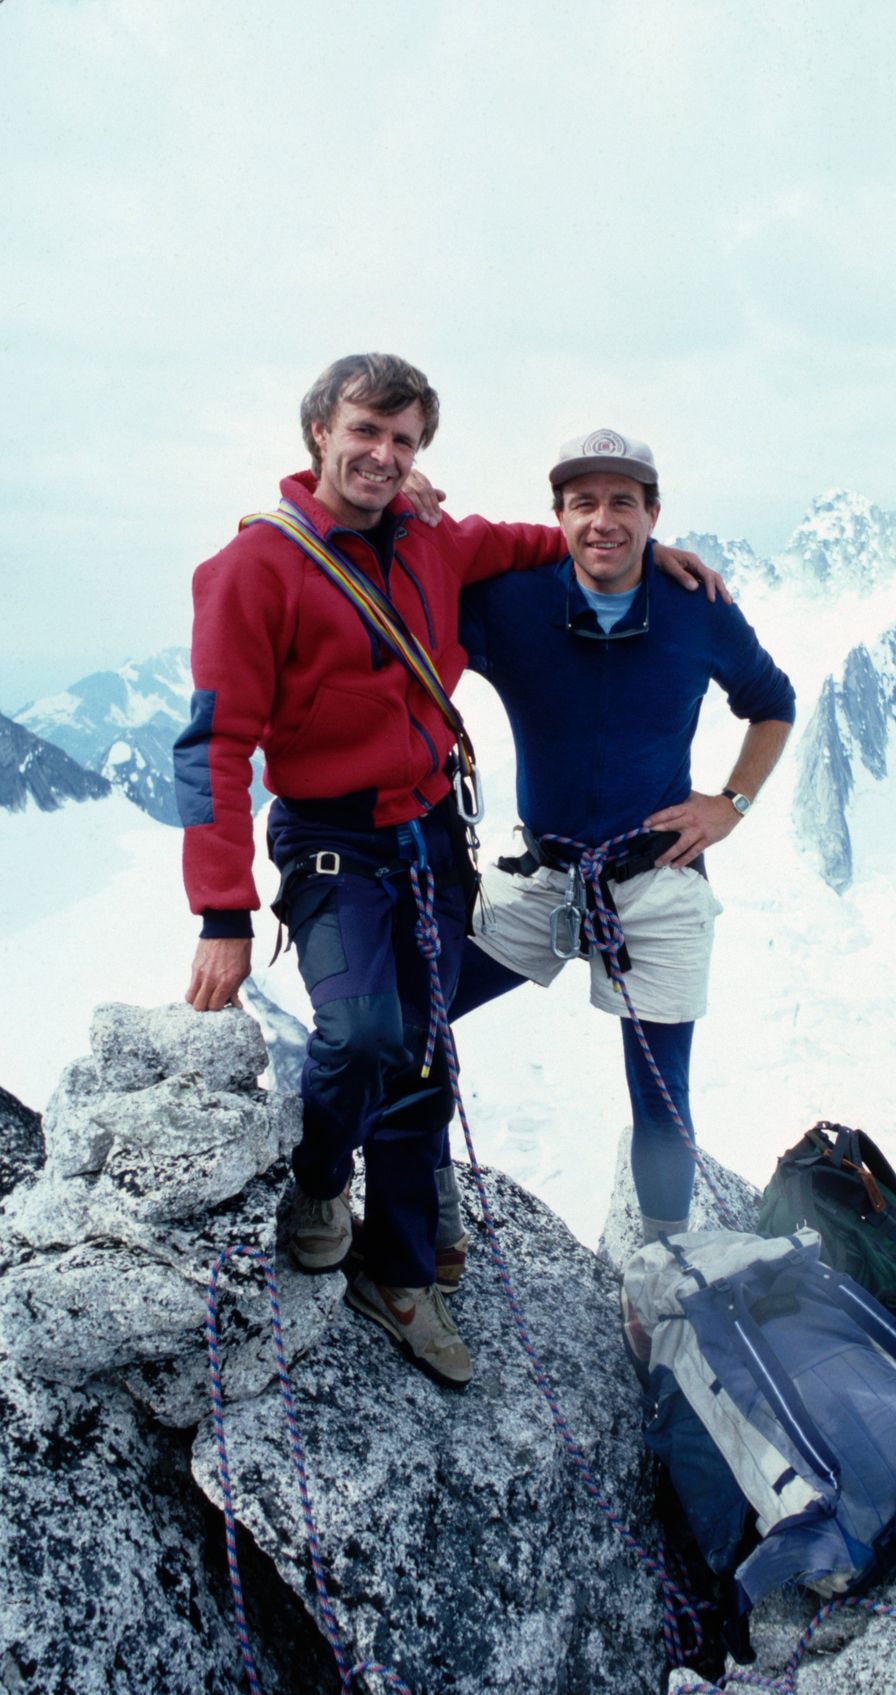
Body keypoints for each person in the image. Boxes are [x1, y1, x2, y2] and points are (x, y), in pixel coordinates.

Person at [175, 357, 722, 1387]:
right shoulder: (253, 570)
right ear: (318, 434)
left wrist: (650, 550)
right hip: (332, 841)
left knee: (422, 1048)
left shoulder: (434, 541)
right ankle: (323, 1177)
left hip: (432, 833)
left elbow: (537, 541)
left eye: (406, 440)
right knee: (364, 1031)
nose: (384, 455)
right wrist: (221, 909)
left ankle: (403, 1272)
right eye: (367, 431)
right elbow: (211, 747)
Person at [438, 428, 794, 1265]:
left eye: (623, 503)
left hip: (655, 879)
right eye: (585, 502)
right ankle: (424, 1208)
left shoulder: (695, 611)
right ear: (557, 515)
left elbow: (770, 701)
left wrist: (730, 804)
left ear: (653, 513)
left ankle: (667, 1271)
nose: (604, 520)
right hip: (545, 876)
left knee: (663, 1103)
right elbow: (416, 590)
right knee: (418, 1014)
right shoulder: (513, 600)